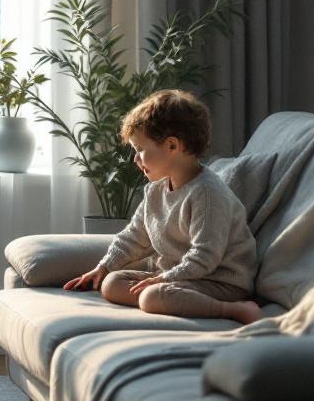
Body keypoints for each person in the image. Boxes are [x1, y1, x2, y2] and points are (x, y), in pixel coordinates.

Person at [62, 89, 261, 325]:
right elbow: (133, 237)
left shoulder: (207, 194)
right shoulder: (155, 191)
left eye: (140, 150)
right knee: (112, 283)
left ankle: (232, 309)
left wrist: (163, 280)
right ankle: (168, 296)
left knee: (152, 297)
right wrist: (103, 267)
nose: (135, 159)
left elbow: (205, 258)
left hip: (219, 281)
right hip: (178, 277)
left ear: (172, 146)